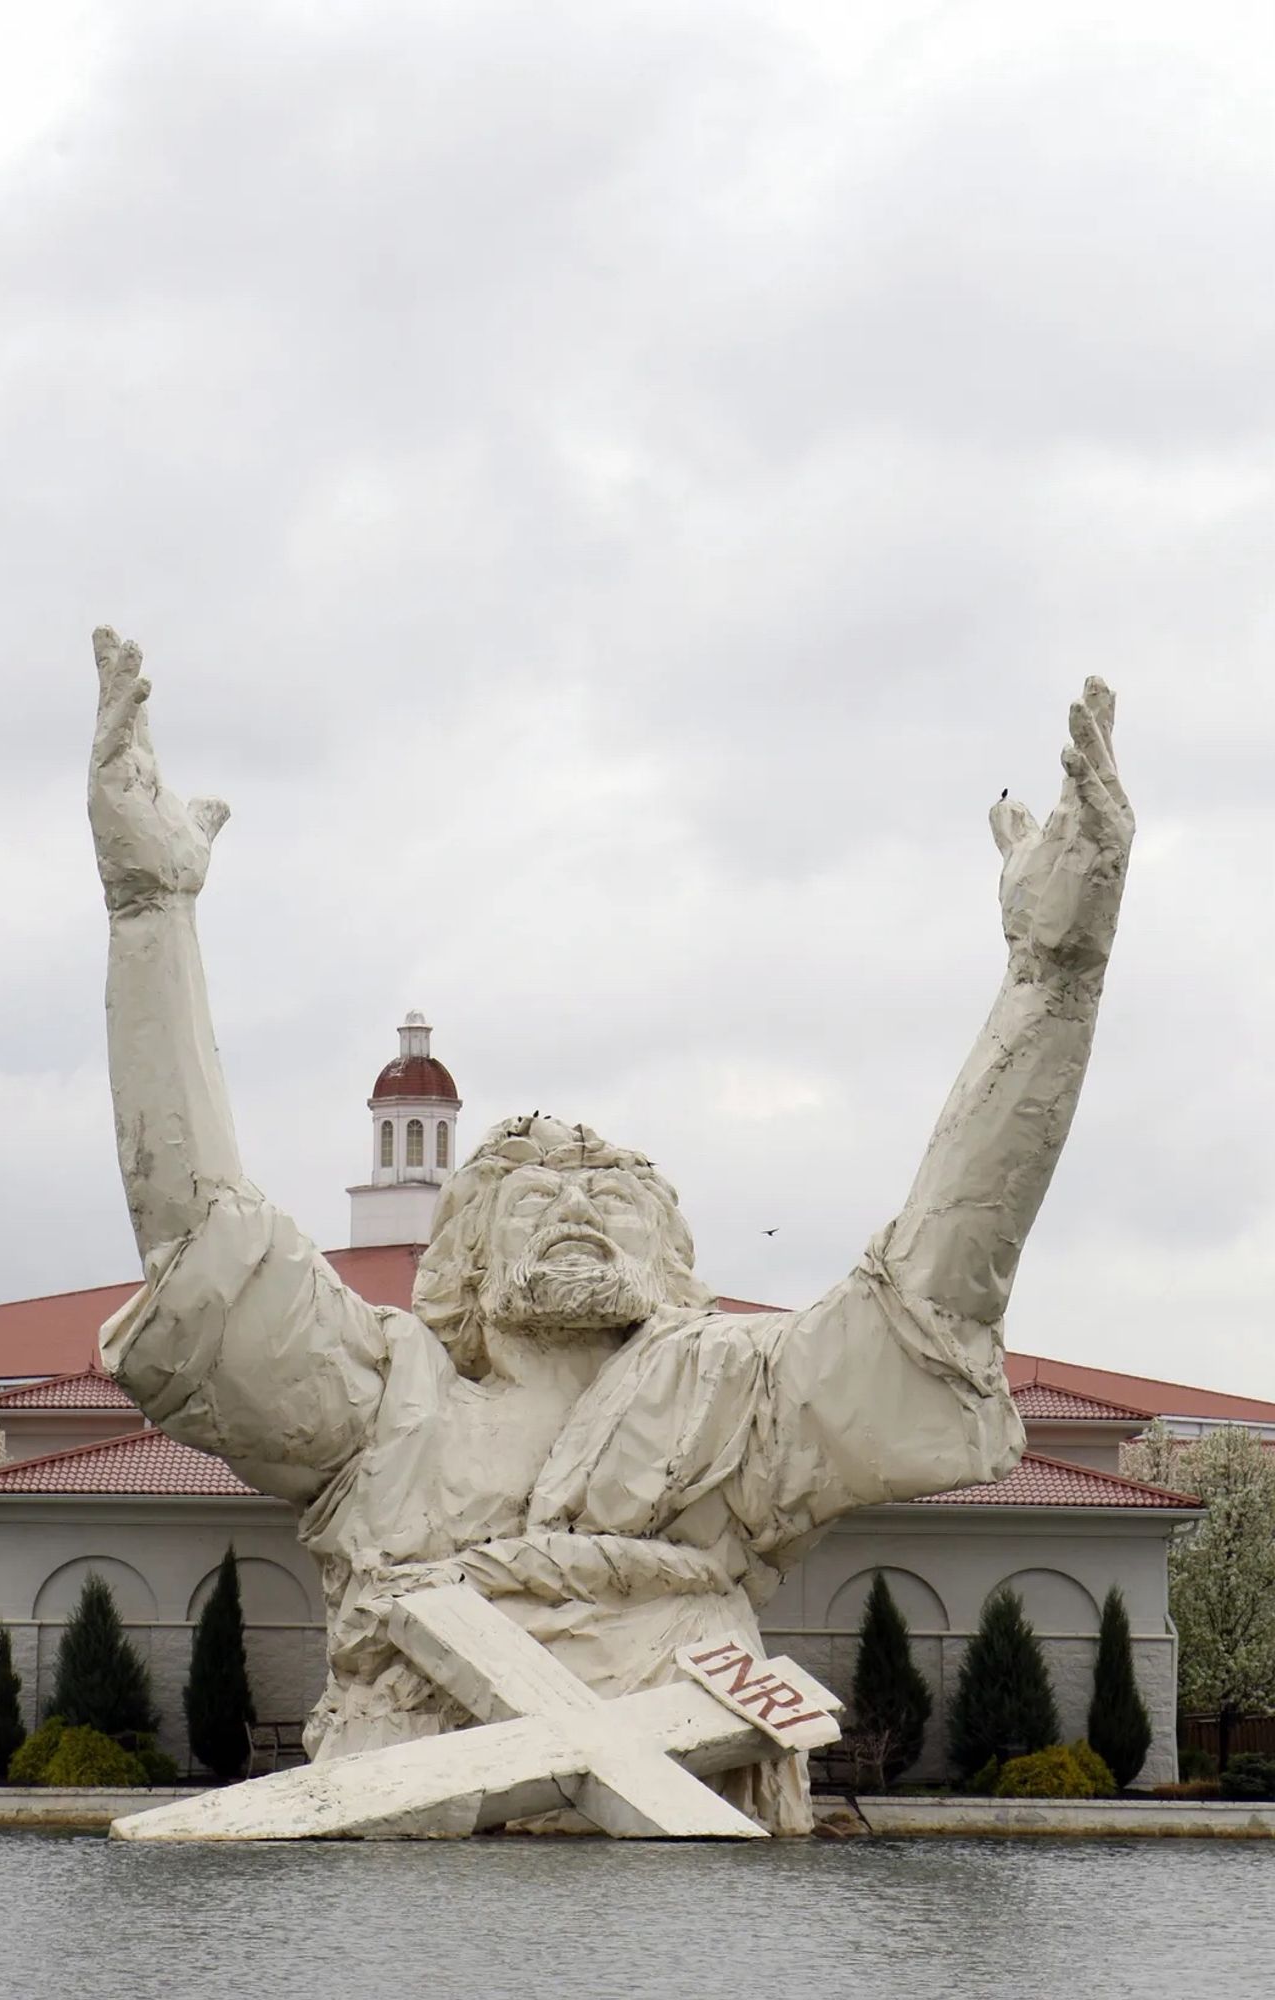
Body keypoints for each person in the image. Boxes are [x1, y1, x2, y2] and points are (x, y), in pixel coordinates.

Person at [88, 628, 1133, 1831]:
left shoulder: (738, 1407)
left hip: (692, 1856)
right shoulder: (379, 1402)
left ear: (668, 1256)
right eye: (536, 1190)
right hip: (411, 1876)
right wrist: (148, 909)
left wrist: (1054, 974)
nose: (578, 1202)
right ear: (464, 1251)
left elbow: (938, 1283)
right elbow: (199, 1236)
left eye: (614, 1192)